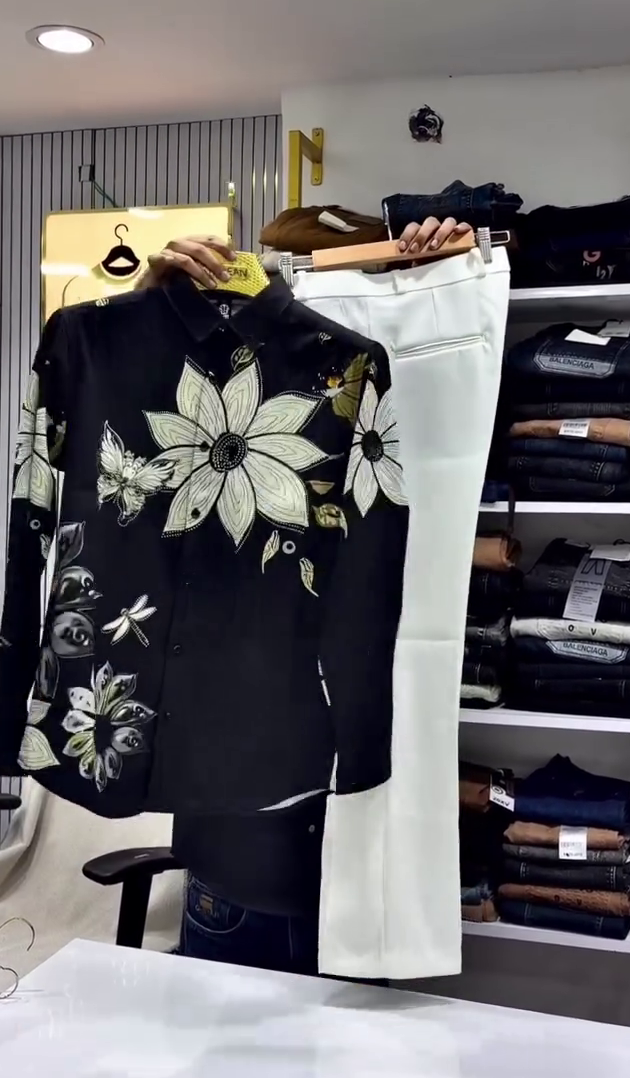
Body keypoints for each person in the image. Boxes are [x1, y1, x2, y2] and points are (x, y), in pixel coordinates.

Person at [142, 216, 470, 976]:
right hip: (245, 865)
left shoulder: (394, 405)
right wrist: (159, 300)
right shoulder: (221, 406)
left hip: (382, 874)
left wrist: (445, 283)